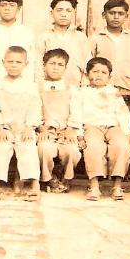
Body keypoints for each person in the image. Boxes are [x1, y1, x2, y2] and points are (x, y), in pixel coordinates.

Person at [0, 46, 42, 200]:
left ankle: (33, 184)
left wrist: (29, 127)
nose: (14, 65)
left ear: (26, 64)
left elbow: (35, 107)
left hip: (24, 127)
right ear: (3, 63)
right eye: (10, 61)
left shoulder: (30, 86)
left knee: (28, 147)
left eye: (18, 62)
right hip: (5, 127)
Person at [80, 57, 130, 201]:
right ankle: (94, 186)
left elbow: (123, 115)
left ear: (109, 77)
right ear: (87, 75)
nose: (99, 75)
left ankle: (117, 185)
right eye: (95, 71)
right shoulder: (81, 93)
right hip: (92, 127)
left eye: (103, 72)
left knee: (121, 145)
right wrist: (79, 135)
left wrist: (129, 135)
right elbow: (76, 114)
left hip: (112, 127)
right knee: (93, 146)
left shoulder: (114, 93)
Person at [36, 49, 83, 194]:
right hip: (45, 129)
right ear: (44, 65)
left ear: (65, 68)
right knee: (44, 148)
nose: (55, 67)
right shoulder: (37, 87)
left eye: (60, 64)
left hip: (66, 130)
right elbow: (33, 109)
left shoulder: (71, 89)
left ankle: (67, 177)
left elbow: (77, 111)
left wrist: (71, 128)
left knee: (72, 150)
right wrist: (40, 127)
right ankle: (48, 178)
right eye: (52, 63)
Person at [89, 0, 130, 94]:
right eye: (112, 13)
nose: (116, 17)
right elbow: (88, 64)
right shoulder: (95, 38)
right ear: (104, 15)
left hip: (128, 88)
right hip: (101, 90)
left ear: (126, 16)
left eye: (120, 14)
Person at [35, 0, 90, 87]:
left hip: (75, 88)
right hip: (49, 89)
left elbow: (87, 65)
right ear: (51, 13)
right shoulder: (44, 37)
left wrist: (84, 88)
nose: (63, 14)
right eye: (59, 10)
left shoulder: (81, 38)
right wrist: (40, 87)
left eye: (68, 11)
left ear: (73, 13)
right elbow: (38, 66)